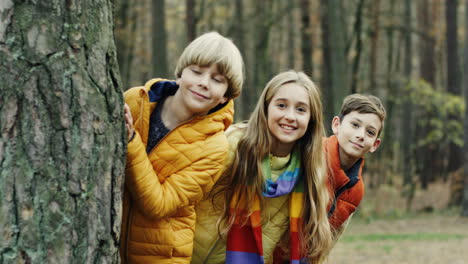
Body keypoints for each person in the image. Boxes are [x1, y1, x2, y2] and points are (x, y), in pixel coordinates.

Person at [120, 31, 244, 264]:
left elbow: (160, 203)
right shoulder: (136, 101)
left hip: (162, 256)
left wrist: (130, 142)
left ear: (225, 97)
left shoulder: (214, 147)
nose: (203, 83)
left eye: (217, 80)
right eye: (196, 71)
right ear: (180, 74)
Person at [192, 70, 333, 264]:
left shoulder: (308, 173)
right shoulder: (233, 144)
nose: (290, 116)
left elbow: (307, 240)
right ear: (266, 108)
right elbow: (186, 198)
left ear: (311, 120)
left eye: (301, 109)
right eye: (281, 105)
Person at [325, 94, 386, 238]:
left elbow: (331, 237)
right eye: (355, 125)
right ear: (336, 125)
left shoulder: (356, 189)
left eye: (370, 132)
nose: (361, 135)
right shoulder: (310, 155)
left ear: (375, 145)